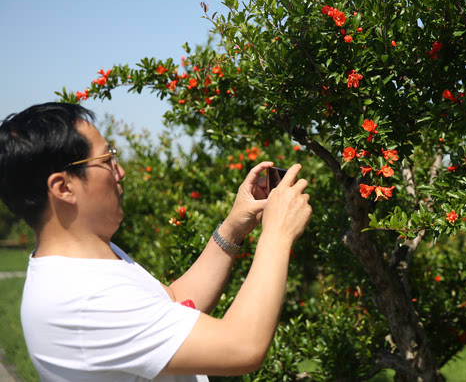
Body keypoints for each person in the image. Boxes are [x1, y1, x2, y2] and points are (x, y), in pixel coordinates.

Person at [0, 102, 312, 381]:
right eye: (107, 160)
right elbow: (242, 346)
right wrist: (277, 233)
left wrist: (234, 228)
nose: (120, 171)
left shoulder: (88, 262)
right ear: (63, 187)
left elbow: (176, 302)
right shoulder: (79, 300)